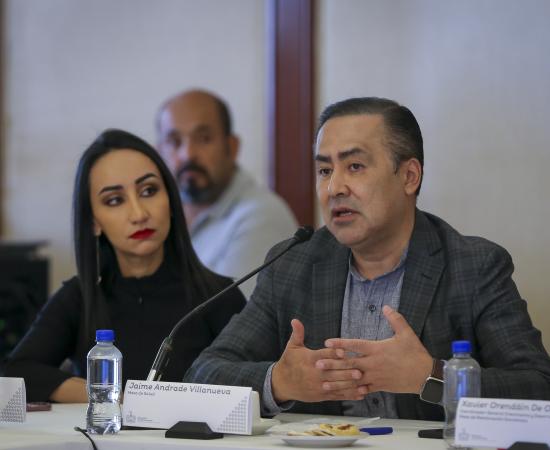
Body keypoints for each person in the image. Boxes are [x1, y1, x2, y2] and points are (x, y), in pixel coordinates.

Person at [185, 97, 550, 420]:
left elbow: (538, 388)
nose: (334, 188)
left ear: (409, 176)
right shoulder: (292, 264)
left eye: (355, 167)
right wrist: (278, 381)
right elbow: (203, 375)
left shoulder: (474, 266)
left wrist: (431, 376)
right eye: (325, 170)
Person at [2, 129, 246, 402]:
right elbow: (18, 373)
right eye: (115, 200)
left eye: (149, 191)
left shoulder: (219, 297)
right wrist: (111, 395)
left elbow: (254, 386)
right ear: (94, 221)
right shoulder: (80, 298)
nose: (139, 214)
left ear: (170, 199)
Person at [156, 89, 298, 298]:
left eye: (203, 139)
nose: (188, 154)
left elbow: (232, 312)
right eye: (175, 142)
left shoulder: (262, 215)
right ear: (159, 152)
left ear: (232, 147)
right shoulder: (159, 214)